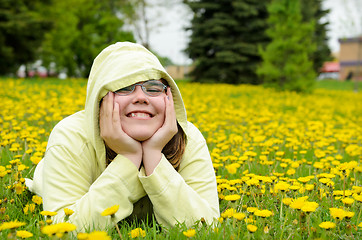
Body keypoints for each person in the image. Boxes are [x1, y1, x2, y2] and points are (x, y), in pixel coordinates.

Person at [26, 42, 220, 232]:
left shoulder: (189, 138)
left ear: (169, 98)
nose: (141, 97)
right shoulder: (69, 137)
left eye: (153, 88)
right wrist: (129, 159)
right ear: (100, 100)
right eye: (124, 88)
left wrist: (153, 157)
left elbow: (208, 228)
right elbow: (66, 232)